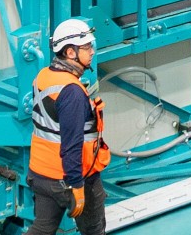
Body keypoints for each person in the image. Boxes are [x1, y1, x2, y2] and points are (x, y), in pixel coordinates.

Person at [28, 19, 110, 235]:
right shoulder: (71, 91)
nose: (92, 51)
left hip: (41, 173)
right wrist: (77, 185)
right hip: (71, 176)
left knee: (42, 228)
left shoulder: (44, 76)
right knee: (94, 230)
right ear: (71, 52)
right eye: (86, 47)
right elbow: (72, 143)